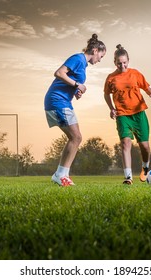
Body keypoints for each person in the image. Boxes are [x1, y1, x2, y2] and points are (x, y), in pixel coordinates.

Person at [44, 34, 106, 186]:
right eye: (101, 56)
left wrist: (76, 89)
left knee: (75, 138)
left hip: (63, 101)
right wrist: (77, 85)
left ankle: (61, 175)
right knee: (76, 137)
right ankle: (60, 175)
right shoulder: (78, 58)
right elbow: (59, 73)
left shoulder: (83, 64)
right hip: (57, 100)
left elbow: (70, 81)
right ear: (95, 50)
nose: (99, 60)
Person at [104, 44, 151, 185]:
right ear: (114, 62)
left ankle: (145, 168)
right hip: (122, 114)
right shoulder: (111, 78)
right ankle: (128, 177)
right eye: (119, 63)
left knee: (145, 147)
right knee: (125, 143)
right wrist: (111, 108)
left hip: (139, 113)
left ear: (128, 60)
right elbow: (106, 94)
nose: (122, 65)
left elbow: (146, 87)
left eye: (124, 62)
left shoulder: (135, 74)